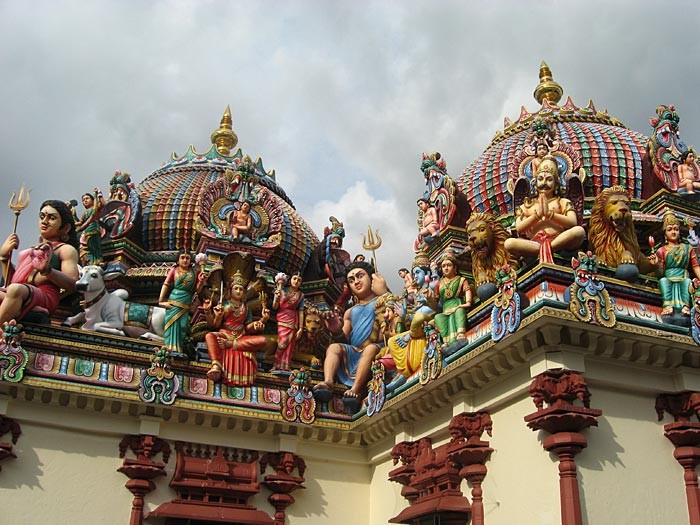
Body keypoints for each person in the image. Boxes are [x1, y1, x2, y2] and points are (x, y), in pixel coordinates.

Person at [315, 261, 391, 399]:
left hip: (376, 348)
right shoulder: (350, 312)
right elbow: (345, 339)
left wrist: (384, 293)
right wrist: (336, 330)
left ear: (372, 278)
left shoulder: (383, 300)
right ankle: (328, 381)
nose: (356, 281)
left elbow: (398, 316)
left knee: (370, 349)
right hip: (355, 351)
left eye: (360, 276)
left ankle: (356, 389)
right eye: (351, 280)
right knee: (333, 348)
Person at [0, 200, 80, 325]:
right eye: (42, 217)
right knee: (14, 290)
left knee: (16, 290)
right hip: (20, 292)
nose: (44, 221)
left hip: (45, 295)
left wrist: (47, 271)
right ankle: (27, 307)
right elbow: (10, 282)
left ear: (65, 228)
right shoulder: (27, 252)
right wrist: (4, 257)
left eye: (51, 218)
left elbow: (72, 283)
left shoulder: (65, 249)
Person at [504, 155, 585, 263]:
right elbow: (519, 228)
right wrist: (536, 216)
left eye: (549, 179)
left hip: (558, 239)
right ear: (535, 184)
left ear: (556, 185)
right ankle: (545, 249)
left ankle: (549, 248)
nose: (544, 183)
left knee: (578, 231)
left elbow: (573, 222)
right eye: (540, 179)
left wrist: (550, 215)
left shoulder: (562, 202)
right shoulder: (527, 205)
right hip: (534, 243)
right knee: (509, 243)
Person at [204, 270, 270, 386]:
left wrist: (261, 321)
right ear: (230, 290)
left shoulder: (246, 308)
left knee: (263, 340)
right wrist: (210, 312)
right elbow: (214, 325)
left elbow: (247, 327)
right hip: (225, 333)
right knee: (209, 336)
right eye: (236, 289)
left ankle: (230, 344)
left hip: (240, 337)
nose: (239, 291)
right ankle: (216, 365)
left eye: (241, 289)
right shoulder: (224, 305)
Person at [649, 211, 700, 316]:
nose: (673, 232)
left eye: (676, 229)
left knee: (687, 282)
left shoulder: (688, 248)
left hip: (683, 276)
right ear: (665, 234)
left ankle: (685, 306)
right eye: (670, 229)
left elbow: (695, 267)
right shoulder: (661, 250)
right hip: (668, 277)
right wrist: (655, 264)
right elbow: (660, 273)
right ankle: (667, 306)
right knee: (663, 281)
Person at [159, 251, 204, 356]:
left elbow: (197, 291)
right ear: (178, 260)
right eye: (182, 258)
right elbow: (166, 284)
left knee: (182, 326)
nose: (185, 260)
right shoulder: (174, 271)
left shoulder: (194, 272)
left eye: (187, 258)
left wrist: (201, 282)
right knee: (172, 324)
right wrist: (161, 301)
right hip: (174, 299)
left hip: (186, 302)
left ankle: (178, 348)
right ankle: (169, 347)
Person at [429, 254, 472, 346]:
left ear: (455, 267)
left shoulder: (461, 280)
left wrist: (465, 304)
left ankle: (460, 333)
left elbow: (468, 295)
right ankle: (446, 341)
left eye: (449, 265)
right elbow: (435, 306)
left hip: (458, 304)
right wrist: (429, 299)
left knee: (459, 311)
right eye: (443, 266)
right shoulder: (439, 284)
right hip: (445, 310)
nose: (446, 268)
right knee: (438, 318)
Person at [271, 273, 305, 371]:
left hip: (293, 320)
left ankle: (286, 365)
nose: (296, 281)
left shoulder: (300, 295)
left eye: (299, 280)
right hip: (282, 318)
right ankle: (276, 364)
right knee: (282, 343)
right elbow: (274, 307)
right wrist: (276, 299)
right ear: (290, 280)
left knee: (290, 344)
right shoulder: (281, 291)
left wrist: (301, 328)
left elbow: (301, 311)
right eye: (294, 278)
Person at [75, 189, 104, 266]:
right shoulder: (86, 212)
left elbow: (103, 204)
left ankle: (98, 260)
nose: (85, 201)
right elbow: (81, 222)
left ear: (92, 200)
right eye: (83, 200)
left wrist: (99, 194)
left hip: (94, 228)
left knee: (95, 245)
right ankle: (90, 261)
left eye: (87, 198)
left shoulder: (95, 208)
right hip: (86, 231)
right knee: (87, 247)